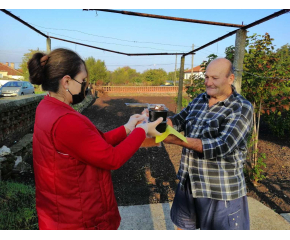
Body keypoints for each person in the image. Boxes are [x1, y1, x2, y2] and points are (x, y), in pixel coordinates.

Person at [28, 48, 162, 230]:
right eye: (82, 80)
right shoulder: (65, 120)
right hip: (79, 218)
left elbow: (92, 145)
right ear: (66, 81)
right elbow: (111, 158)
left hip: (60, 212)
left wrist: (127, 128)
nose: (84, 85)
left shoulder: (47, 106)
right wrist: (143, 130)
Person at [163, 58, 253, 230]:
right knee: (182, 228)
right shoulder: (200, 100)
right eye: (206, 77)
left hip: (219, 191)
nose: (208, 82)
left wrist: (176, 140)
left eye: (215, 78)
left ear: (230, 78)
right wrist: (155, 122)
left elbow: (222, 145)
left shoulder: (241, 107)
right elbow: (178, 121)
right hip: (189, 182)